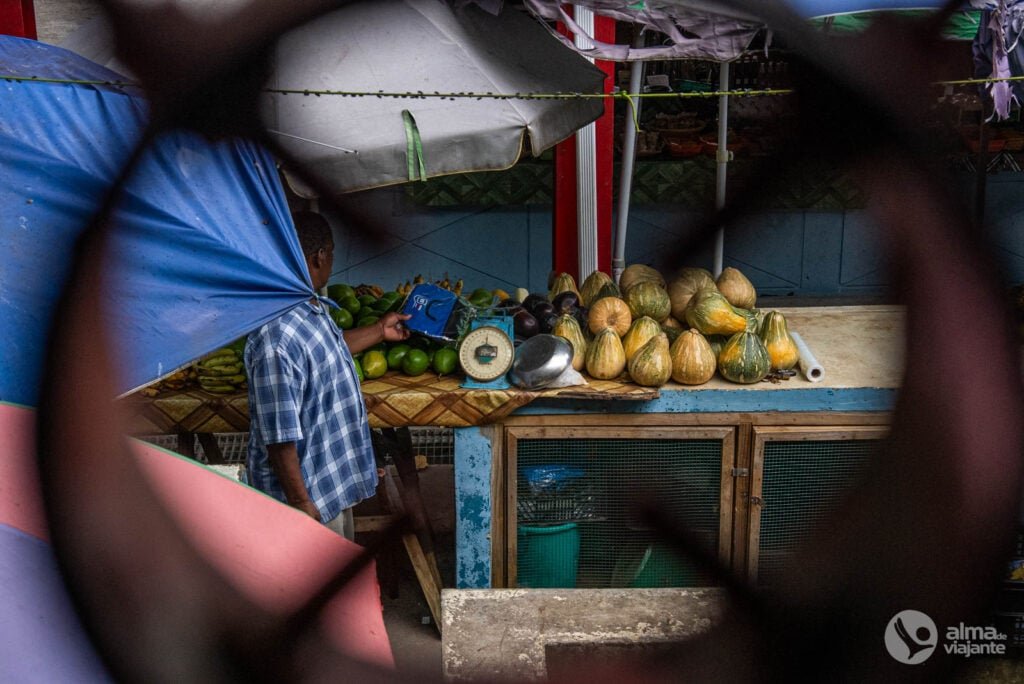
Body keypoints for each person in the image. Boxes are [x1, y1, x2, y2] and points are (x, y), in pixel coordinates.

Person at [244, 211, 410, 540]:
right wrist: (301, 504)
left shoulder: (308, 306)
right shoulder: (275, 338)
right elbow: (279, 437)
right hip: (305, 500)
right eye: (332, 253)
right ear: (320, 256)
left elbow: (327, 349)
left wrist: (380, 330)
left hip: (327, 486)